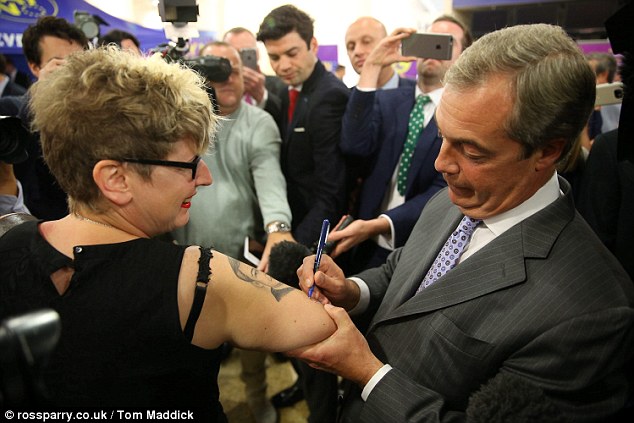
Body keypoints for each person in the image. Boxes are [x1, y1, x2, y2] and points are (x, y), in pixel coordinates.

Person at [291, 24, 634, 422]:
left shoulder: (593, 314)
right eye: (442, 136)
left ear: (547, 150)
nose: (441, 164)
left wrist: (368, 374)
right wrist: (352, 291)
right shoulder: (457, 198)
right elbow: (403, 269)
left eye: (471, 150)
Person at [0, 46, 336, 419]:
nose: (204, 178)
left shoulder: (9, 237)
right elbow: (322, 325)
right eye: (188, 165)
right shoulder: (201, 279)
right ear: (116, 179)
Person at [171, 41, 293, 423]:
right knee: (190, 347)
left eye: (233, 68)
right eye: (214, 68)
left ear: (247, 74)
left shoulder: (259, 123)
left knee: (252, 343)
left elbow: (269, 179)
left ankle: (256, 397)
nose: (225, 77)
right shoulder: (177, 126)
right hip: (184, 257)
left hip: (243, 259)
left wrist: (278, 229)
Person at [257, 5, 350, 421]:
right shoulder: (287, 92)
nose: (283, 65)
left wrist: (294, 245)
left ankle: (322, 413)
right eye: (275, 57)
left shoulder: (329, 95)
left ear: (313, 45)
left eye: (292, 53)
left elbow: (332, 190)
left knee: (314, 340)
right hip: (293, 229)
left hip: (314, 239)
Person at [330, 16, 471, 273]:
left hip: (419, 246)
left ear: (464, 54)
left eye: (446, 43)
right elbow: (354, 146)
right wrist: (372, 65)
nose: (434, 51)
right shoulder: (390, 100)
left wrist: (383, 223)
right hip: (362, 243)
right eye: (429, 41)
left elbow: (444, 187)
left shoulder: (466, 115)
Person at [12, 16, 88, 220]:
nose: (71, 72)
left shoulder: (99, 110)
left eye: (77, 62)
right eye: (59, 63)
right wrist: (41, 95)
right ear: (35, 67)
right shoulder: (18, 111)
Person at [223, 27, 287, 131]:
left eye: (247, 53)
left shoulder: (280, 86)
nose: (241, 59)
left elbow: (285, 123)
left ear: (257, 54)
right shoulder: (219, 88)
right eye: (235, 53)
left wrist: (262, 97)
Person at [344, 16, 415, 90]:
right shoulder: (345, 99)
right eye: (351, 47)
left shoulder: (418, 94)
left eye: (366, 42)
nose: (357, 51)